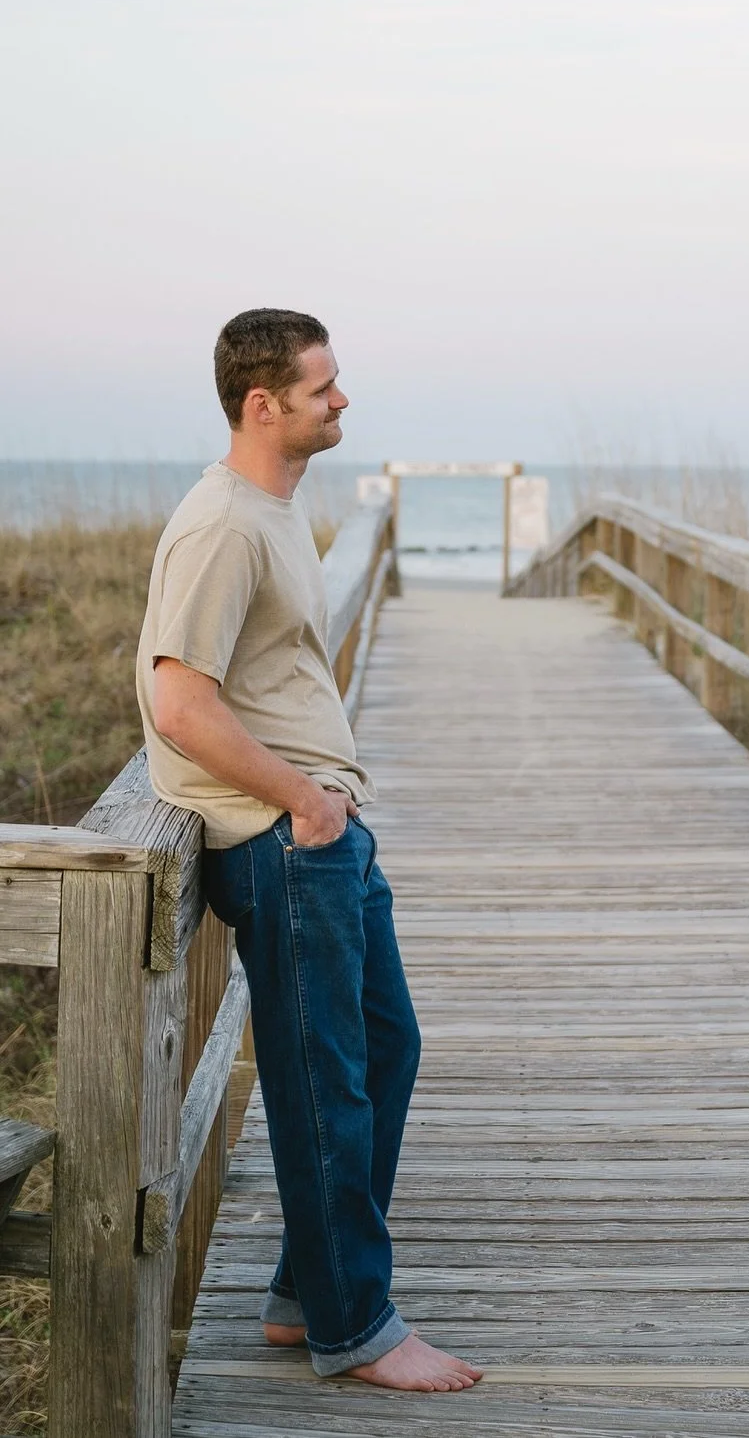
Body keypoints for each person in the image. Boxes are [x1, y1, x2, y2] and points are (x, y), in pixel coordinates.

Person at [136, 308, 482, 1393]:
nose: (342, 400)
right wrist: (301, 801)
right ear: (263, 404)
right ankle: (356, 1327)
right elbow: (178, 702)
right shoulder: (224, 526)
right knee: (324, 1077)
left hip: (323, 828)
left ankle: (304, 1289)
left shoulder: (273, 508)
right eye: (322, 387)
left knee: (384, 1047)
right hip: (283, 839)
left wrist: (327, 804)